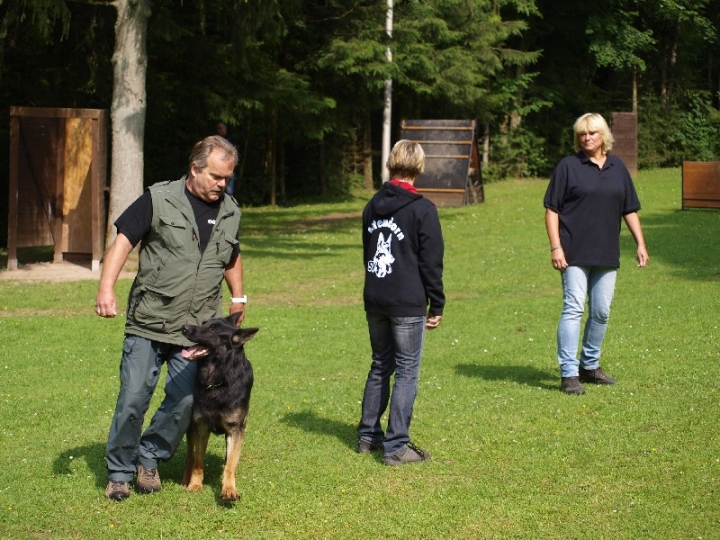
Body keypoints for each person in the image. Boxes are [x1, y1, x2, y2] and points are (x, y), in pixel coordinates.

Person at [95, 135, 248, 500]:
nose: (222, 185)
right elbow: (122, 242)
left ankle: (149, 457)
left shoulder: (231, 210)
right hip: (150, 318)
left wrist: (238, 297)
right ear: (194, 169)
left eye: (227, 178)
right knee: (134, 396)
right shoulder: (158, 199)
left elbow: (231, 254)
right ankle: (119, 472)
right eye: (216, 176)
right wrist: (106, 288)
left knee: (184, 403)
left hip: (198, 328)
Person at [544, 113, 648, 395]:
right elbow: (552, 209)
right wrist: (556, 246)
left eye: (591, 133)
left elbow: (629, 209)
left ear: (604, 136)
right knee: (574, 308)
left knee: (601, 312)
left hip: (606, 252)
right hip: (573, 251)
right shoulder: (568, 166)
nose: (586, 138)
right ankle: (569, 373)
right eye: (581, 134)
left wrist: (640, 243)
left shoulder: (617, 167)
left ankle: (589, 366)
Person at [357, 139, 445, 466]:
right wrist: (437, 304)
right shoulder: (423, 209)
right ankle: (395, 447)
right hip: (406, 302)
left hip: (376, 297)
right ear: (419, 167)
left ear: (391, 164)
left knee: (381, 363)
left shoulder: (370, 206)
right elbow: (431, 263)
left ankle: (368, 436)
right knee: (407, 371)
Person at [215, 121, 237, 195]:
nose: (219, 130)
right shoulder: (216, 140)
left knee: (229, 191)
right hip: (218, 168)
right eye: (218, 129)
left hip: (229, 168)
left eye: (220, 128)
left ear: (225, 128)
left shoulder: (231, 139)